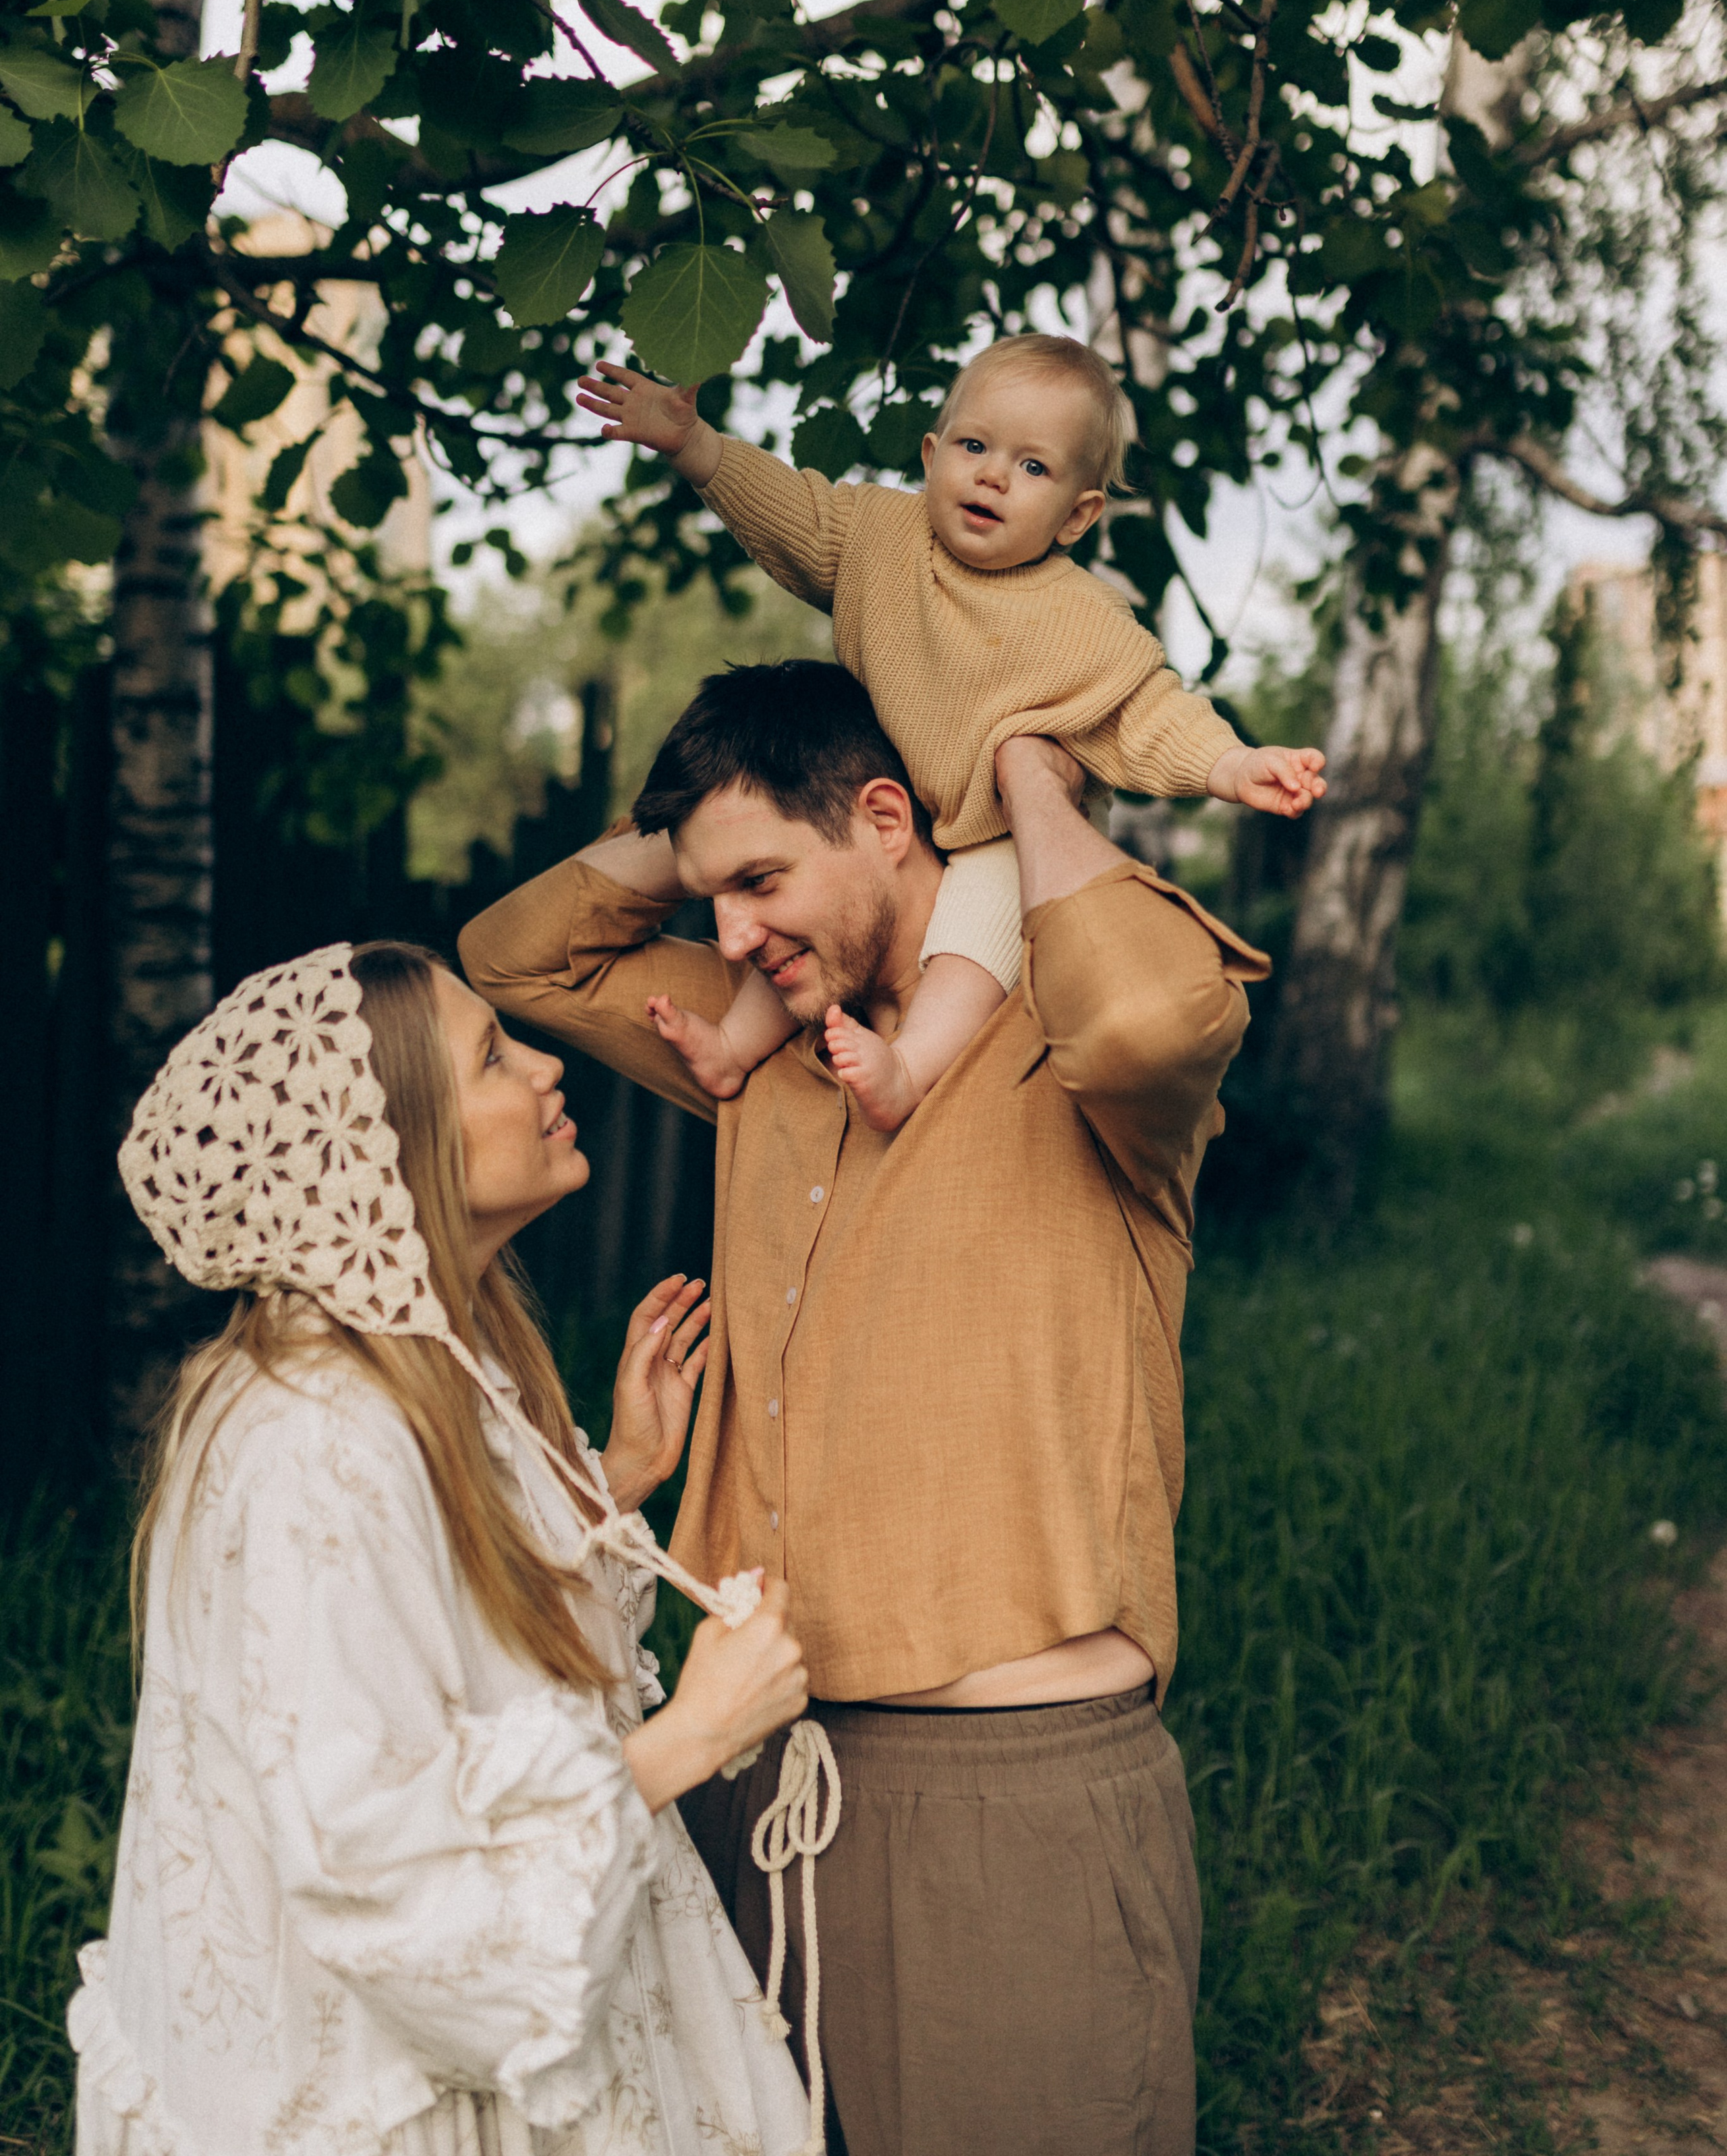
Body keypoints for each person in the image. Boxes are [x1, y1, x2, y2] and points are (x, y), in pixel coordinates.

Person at [458, 662, 1272, 2156]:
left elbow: (1156, 1016)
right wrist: (712, 842)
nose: (728, 933)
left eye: (763, 880)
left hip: (1007, 1812)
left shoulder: (1070, 1049)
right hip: (744, 1771)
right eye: (713, 896)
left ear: (890, 818)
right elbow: (512, 958)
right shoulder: (763, 1035)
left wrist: (1013, 772)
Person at [73, 938, 814, 2156]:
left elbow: (463, 1661)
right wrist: (693, 1735)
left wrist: (610, 1480)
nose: (544, 1067)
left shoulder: (416, 1369)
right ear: (391, 1148)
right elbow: (383, 1874)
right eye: (491, 1058)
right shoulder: (317, 1438)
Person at [575, 333, 1320, 1130]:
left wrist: (1231, 764)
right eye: (974, 446)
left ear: (1076, 516)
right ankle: (732, 1048)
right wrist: (694, 445)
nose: (993, 475)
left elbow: (1144, 711)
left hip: (1003, 831)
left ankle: (910, 1068)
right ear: (931, 456)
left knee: (970, 942)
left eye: (1033, 467)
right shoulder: (878, 537)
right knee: (797, 905)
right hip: (899, 800)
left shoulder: (1081, 619)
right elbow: (794, 517)